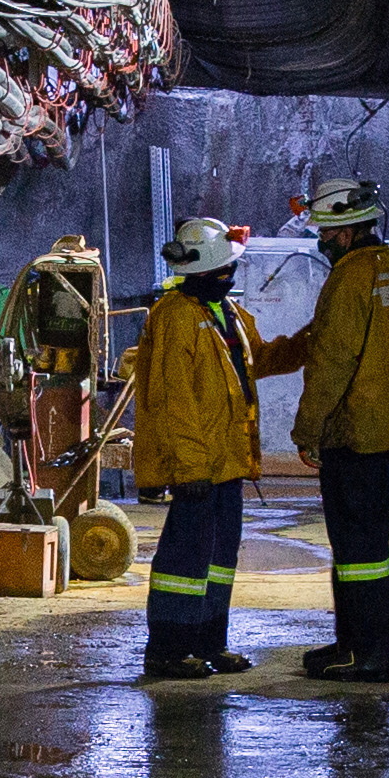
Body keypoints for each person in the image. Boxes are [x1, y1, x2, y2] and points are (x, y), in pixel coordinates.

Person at [259, 175, 389, 683]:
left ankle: (364, 653)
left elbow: (332, 360)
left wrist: (307, 430)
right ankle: (362, 645)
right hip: (387, 431)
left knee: (357, 549)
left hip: (355, 431)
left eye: (324, 231)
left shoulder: (351, 277)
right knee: (371, 548)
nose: (321, 240)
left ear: (342, 232)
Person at [130, 216, 262, 683]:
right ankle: (167, 650)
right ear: (208, 271)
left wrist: (312, 342)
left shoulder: (224, 314)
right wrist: (189, 468)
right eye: (226, 269)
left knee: (219, 559)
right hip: (199, 464)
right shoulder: (176, 317)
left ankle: (210, 643)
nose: (232, 276)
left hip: (226, 460)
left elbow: (255, 363)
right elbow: (173, 400)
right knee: (183, 562)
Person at [9, 229, 108, 497]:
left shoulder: (80, 272)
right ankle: (44, 491)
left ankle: (67, 498)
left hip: (73, 364)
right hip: (50, 362)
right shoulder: (42, 274)